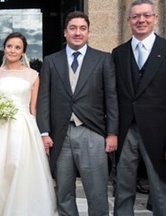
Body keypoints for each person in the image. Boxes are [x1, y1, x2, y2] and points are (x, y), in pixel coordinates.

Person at [36, 11, 118, 216]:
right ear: (65, 32)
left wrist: (112, 133)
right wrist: (44, 132)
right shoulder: (51, 61)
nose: (77, 32)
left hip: (92, 132)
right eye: (73, 28)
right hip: (60, 135)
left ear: (89, 32)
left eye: (82, 28)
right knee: (64, 192)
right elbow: (44, 99)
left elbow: (111, 98)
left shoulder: (103, 59)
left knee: (97, 192)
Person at [112, 0, 166, 215]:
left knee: (161, 189)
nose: (141, 20)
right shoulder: (118, 53)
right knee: (123, 187)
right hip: (126, 131)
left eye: (146, 15)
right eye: (136, 16)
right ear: (129, 21)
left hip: (161, 133)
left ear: (155, 18)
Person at [0, 32, 58, 215]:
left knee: (20, 167)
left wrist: (42, 134)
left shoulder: (33, 75)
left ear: (23, 51)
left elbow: (34, 108)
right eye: (9, 46)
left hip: (24, 128)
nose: (13, 50)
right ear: (4, 48)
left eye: (17, 47)